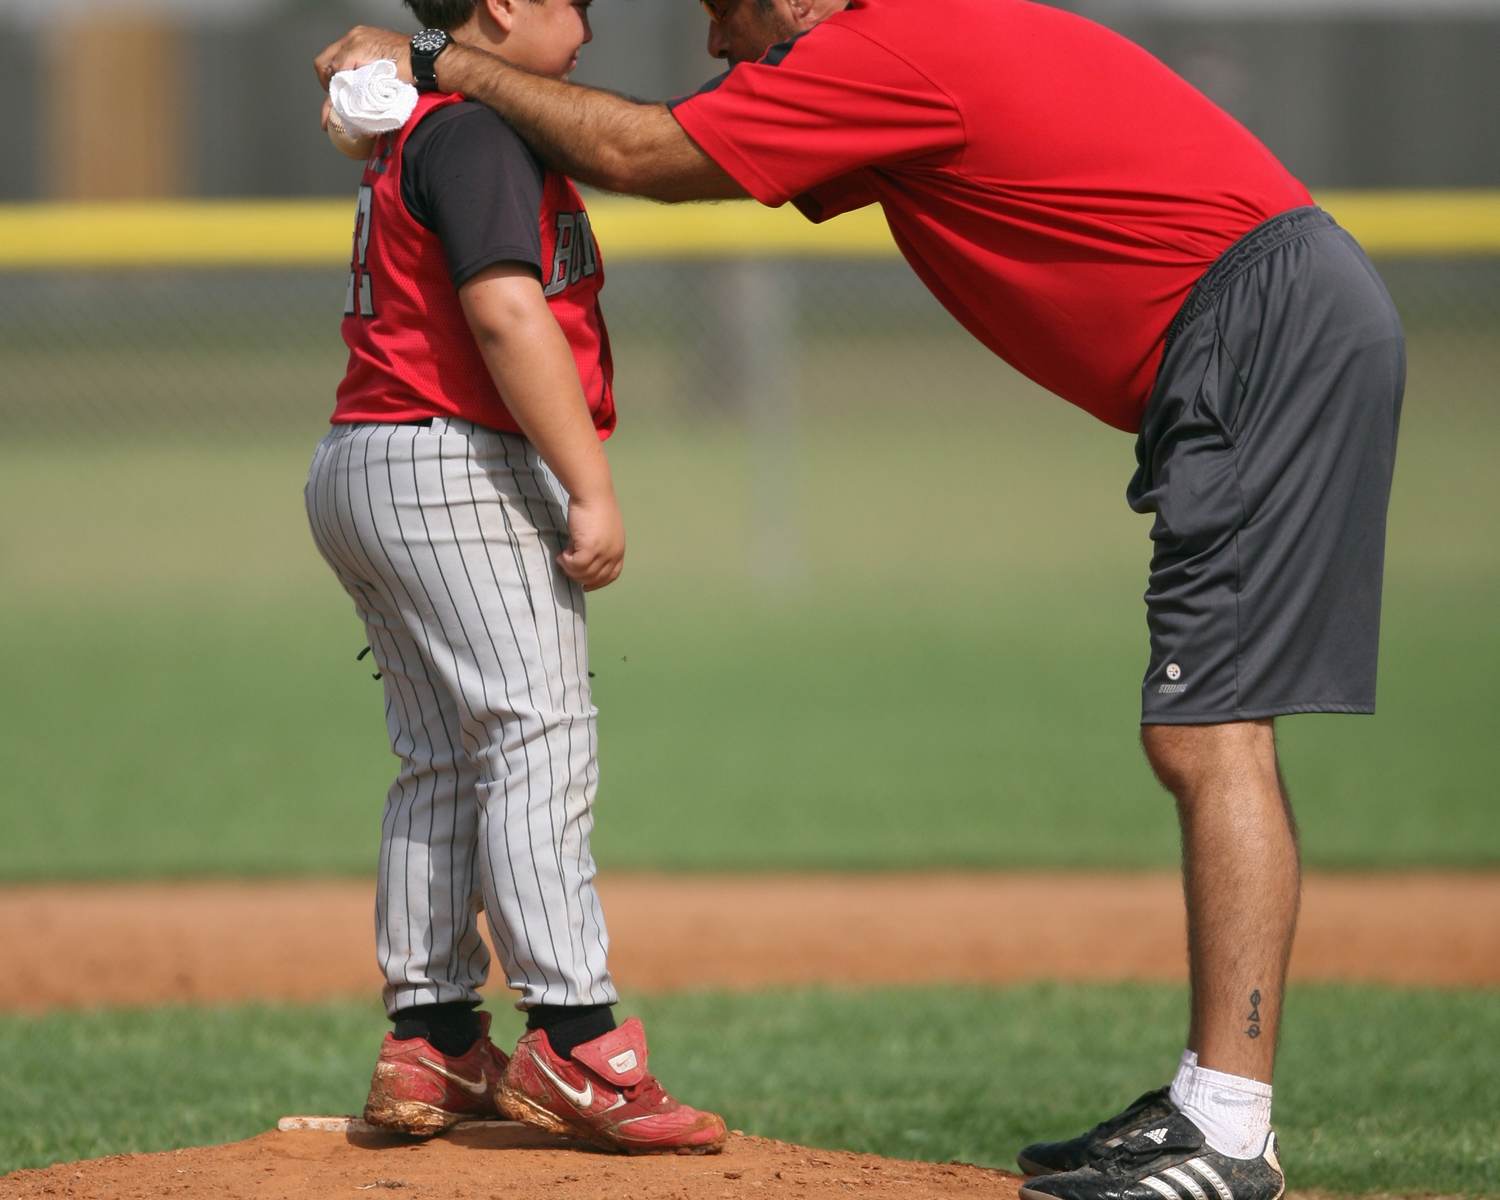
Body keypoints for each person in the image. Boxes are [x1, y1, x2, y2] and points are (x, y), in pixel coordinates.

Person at [315, 0, 1405, 1193]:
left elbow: (642, 152)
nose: (720, 47)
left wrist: (431, 60)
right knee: (1202, 727)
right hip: (1255, 323)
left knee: (1208, 729)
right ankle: (1212, 1101)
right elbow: (655, 153)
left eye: (724, 13)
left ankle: (1231, 1129)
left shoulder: (879, 47)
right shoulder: (909, 45)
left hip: (1257, 330)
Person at [305, 0, 725, 1156]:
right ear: (500, 5)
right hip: (451, 456)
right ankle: (576, 1039)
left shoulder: (429, 124)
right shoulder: (479, 128)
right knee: (539, 733)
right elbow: (503, 308)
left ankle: (431, 1038)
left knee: (445, 753)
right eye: (568, 0)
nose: (587, 21)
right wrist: (589, 485)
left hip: (365, 454)